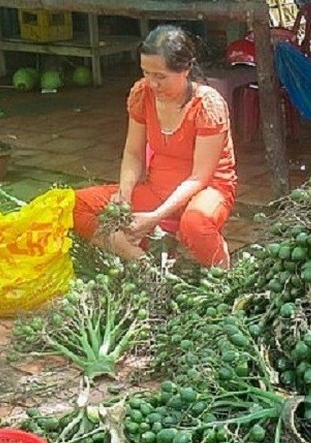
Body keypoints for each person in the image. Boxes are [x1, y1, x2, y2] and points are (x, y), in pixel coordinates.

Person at [73, 25, 238, 268]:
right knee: (75, 205)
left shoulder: (207, 105)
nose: (152, 83)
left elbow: (199, 177)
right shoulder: (142, 94)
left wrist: (154, 217)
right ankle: (142, 262)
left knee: (195, 225)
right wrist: (125, 195)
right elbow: (133, 152)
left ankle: (225, 274)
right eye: (146, 73)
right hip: (159, 185)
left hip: (208, 189)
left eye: (160, 76)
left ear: (185, 69)